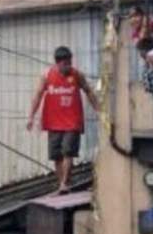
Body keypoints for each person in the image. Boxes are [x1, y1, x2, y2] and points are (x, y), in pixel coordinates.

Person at [27, 46, 100, 194]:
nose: (68, 66)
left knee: (68, 151)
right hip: (53, 121)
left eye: (69, 62)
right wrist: (31, 116)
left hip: (72, 120)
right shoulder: (47, 75)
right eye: (65, 63)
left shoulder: (77, 75)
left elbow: (89, 92)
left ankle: (65, 182)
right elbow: (38, 95)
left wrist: (99, 110)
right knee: (57, 155)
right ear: (57, 63)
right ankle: (62, 184)